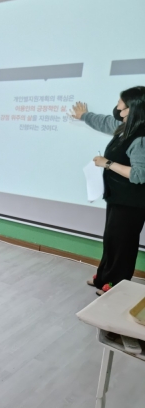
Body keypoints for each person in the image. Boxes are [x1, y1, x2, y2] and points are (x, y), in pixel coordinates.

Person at [69, 86, 145, 295]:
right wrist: (84, 116)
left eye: (121, 102)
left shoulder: (140, 138)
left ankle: (116, 283)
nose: (117, 106)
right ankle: (104, 276)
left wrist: (108, 163)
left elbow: (139, 174)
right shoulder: (126, 127)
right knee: (111, 238)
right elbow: (105, 122)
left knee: (123, 243)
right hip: (117, 197)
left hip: (132, 202)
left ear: (132, 108)